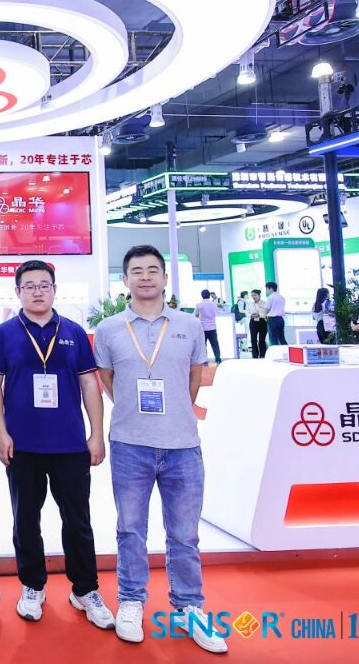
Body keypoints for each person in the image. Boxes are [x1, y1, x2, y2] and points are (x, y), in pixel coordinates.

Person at [94, 245, 227, 654]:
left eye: (153, 270)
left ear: (165, 278)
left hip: (182, 446)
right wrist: (133, 411)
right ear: (125, 280)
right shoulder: (110, 329)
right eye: (137, 271)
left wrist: (177, 413)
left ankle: (188, 608)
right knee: (130, 530)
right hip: (129, 444)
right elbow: (106, 378)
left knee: (184, 535)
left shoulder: (189, 325)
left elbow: (194, 376)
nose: (146, 277)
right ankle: (131, 601)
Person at [0, 260, 113, 631]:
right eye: (30, 286)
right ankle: (33, 585)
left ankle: (85, 589)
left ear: (55, 289)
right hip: (22, 444)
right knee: (26, 519)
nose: (38, 291)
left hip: (70, 444)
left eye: (44, 285)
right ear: (18, 292)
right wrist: (1, 432)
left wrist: (96, 433)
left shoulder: (73, 331)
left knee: (78, 520)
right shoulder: (5, 333)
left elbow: (89, 384)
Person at [195, 290, 220, 364]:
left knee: (203, 345)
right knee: (215, 344)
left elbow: (196, 315)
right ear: (209, 295)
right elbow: (216, 314)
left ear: (201, 295)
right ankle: (218, 359)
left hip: (203, 327)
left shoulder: (199, 304)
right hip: (212, 327)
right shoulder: (213, 304)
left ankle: (204, 360)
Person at [264, 281, 287, 347]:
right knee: (281, 337)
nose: (266, 291)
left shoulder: (270, 297)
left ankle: (275, 352)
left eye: (267, 289)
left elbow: (266, 309)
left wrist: (264, 316)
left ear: (271, 289)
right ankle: (286, 351)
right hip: (281, 319)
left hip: (272, 319)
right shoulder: (282, 297)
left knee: (273, 338)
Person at [248, 289, 268, 359]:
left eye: (255, 295)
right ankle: (255, 355)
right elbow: (247, 312)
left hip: (262, 321)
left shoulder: (264, 303)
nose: (253, 297)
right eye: (252, 295)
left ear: (259, 295)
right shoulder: (250, 303)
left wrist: (259, 315)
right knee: (253, 339)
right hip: (253, 322)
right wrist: (251, 315)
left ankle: (262, 355)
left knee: (262, 340)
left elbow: (266, 312)